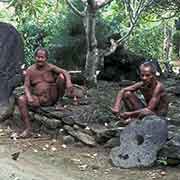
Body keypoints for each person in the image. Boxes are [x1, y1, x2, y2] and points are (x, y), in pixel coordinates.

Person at [16, 47, 75, 138]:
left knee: (62, 77)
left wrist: (68, 82)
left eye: (42, 57)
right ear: (35, 57)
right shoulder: (30, 70)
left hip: (52, 98)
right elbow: (26, 86)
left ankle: (60, 101)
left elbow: (65, 72)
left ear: (46, 58)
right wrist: (29, 97)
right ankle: (28, 129)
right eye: (38, 57)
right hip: (39, 99)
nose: (40, 59)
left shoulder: (50, 67)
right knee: (21, 99)